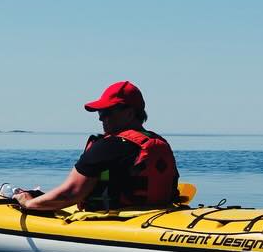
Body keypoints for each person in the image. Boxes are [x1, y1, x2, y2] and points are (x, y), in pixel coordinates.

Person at [13, 81, 180, 213]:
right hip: (157, 216)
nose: (101, 119)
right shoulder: (159, 143)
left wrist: (28, 202)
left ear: (129, 113)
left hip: (115, 223)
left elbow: (70, 193)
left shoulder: (109, 146)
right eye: (100, 113)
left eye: (107, 112)